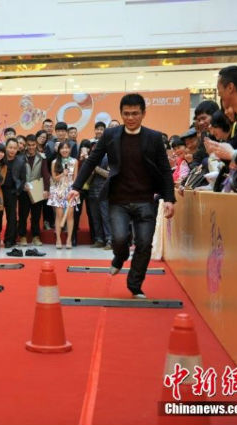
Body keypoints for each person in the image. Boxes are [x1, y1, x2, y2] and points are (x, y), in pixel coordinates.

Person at [69, 93, 175, 299]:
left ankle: (135, 284)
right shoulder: (110, 135)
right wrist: (76, 186)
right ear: (121, 114)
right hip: (118, 200)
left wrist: (169, 198)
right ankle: (120, 257)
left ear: (143, 114)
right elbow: (92, 160)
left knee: (144, 243)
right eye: (126, 114)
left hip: (145, 199)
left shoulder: (153, 138)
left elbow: (164, 170)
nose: (130, 117)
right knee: (118, 239)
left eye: (135, 113)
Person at [18, 134, 50, 247]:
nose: (31, 147)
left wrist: (46, 189)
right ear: (26, 145)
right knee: (23, 215)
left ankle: (36, 236)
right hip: (24, 190)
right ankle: (22, 236)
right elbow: (17, 174)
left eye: (33, 145)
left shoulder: (42, 157)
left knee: (36, 215)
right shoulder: (20, 157)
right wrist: (22, 185)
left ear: (36, 144)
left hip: (37, 189)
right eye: (29, 145)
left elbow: (46, 174)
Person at [48, 141, 78, 249]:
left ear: (70, 149)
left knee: (70, 215)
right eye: (62, 148)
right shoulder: (55, 162)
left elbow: (75, 178)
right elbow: (54, 179)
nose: (64, 150)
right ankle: (58, 239)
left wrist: (74, 190)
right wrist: (62, 174)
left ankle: (69, 239)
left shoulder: (74, 161)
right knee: (59, 215)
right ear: (59, 150)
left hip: (70, 190)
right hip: (58, 191)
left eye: (66, 148)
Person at [0, 138, 27, 249]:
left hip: (12, 192)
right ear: (6, 147)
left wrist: (17, 191)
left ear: (17, 149)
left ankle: (10, 240)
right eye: (10, 147)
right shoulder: (0, 159)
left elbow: (23, 179)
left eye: (15, 148)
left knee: (12, 217)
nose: (12, 150)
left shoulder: (20, 162)